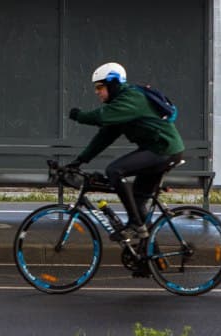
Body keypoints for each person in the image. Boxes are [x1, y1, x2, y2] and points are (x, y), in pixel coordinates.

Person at [68, 62, 184, 244]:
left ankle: (135, 226)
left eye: (100, 87)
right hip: (156, 151)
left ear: (113, 83)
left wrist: (79, 115)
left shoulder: (130, 99)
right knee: (137, 204)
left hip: (164, 150)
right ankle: (150, 258)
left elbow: (101, 117)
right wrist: (80, 160)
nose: (96, 91)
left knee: (115, 170)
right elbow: (104, 137)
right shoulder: (120, 106)